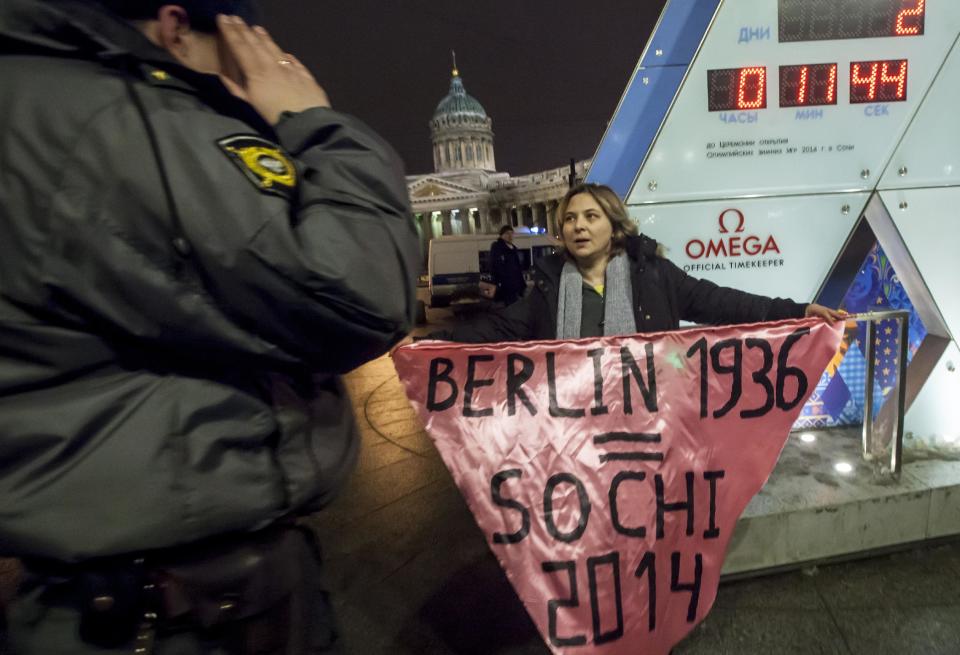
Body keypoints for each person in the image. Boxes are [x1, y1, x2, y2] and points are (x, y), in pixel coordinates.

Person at [0, 1, 419, 653]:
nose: (241, 86)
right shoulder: (119, 114)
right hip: (181, 616)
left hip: (124, 594)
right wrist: (314, 122)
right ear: (175, 26)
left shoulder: (38, 103)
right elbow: (361, 291)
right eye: (235, 58)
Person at [429, 183, 843, 342]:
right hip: (573, 431)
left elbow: (721, 302)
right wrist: (432, 344)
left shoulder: (655, 276)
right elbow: (497, 328)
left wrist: (795, 310)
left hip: (650, 423)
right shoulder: (548, 286)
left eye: (591, 217)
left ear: (614, 225)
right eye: (569, 219)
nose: (579, 227)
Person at [489, 225, 527, 306]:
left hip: (516, 285)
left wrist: (522, 285)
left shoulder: (513, 249)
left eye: (511, 233)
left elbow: (518, 268)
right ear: (501, 235)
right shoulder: (497, 247)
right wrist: (501, 281)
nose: (510, 236)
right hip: (506, 286)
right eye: (507, 233)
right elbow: (495, 266)